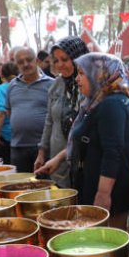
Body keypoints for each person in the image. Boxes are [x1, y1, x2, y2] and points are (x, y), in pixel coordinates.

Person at [69, 53, 129, 230]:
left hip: (110, 191)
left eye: (82, 73)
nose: (77, 79)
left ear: (99, 74)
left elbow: (113, 151)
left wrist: (103, 194)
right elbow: (92, 139)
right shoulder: (102, 101)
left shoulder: (111, 105)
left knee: (108, 244)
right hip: (103, 184)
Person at [34, 36, 89, 186]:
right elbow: (50, 120)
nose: (60, 65)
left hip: (82, 158)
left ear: (78, 58)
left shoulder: (89, 86)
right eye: (56, 60)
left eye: (65, 59)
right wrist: (41, 152)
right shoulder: (56, 84)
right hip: (56, 158)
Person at [0, 47, 54, 172]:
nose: (25, 64)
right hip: (17, 148)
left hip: (44, 149)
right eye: (20, 62)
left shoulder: (52, 84)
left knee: (44, 187)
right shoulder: (12, 86)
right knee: (21, 187)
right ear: (17, 65)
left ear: (36, 61)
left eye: (29, 60)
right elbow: (9, 112)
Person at [0, 62, 19, 165]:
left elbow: (0, 114)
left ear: (1, 75)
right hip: (21, 135)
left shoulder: (0, 89)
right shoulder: (21, 86)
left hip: (5, 136)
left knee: (6, 169)